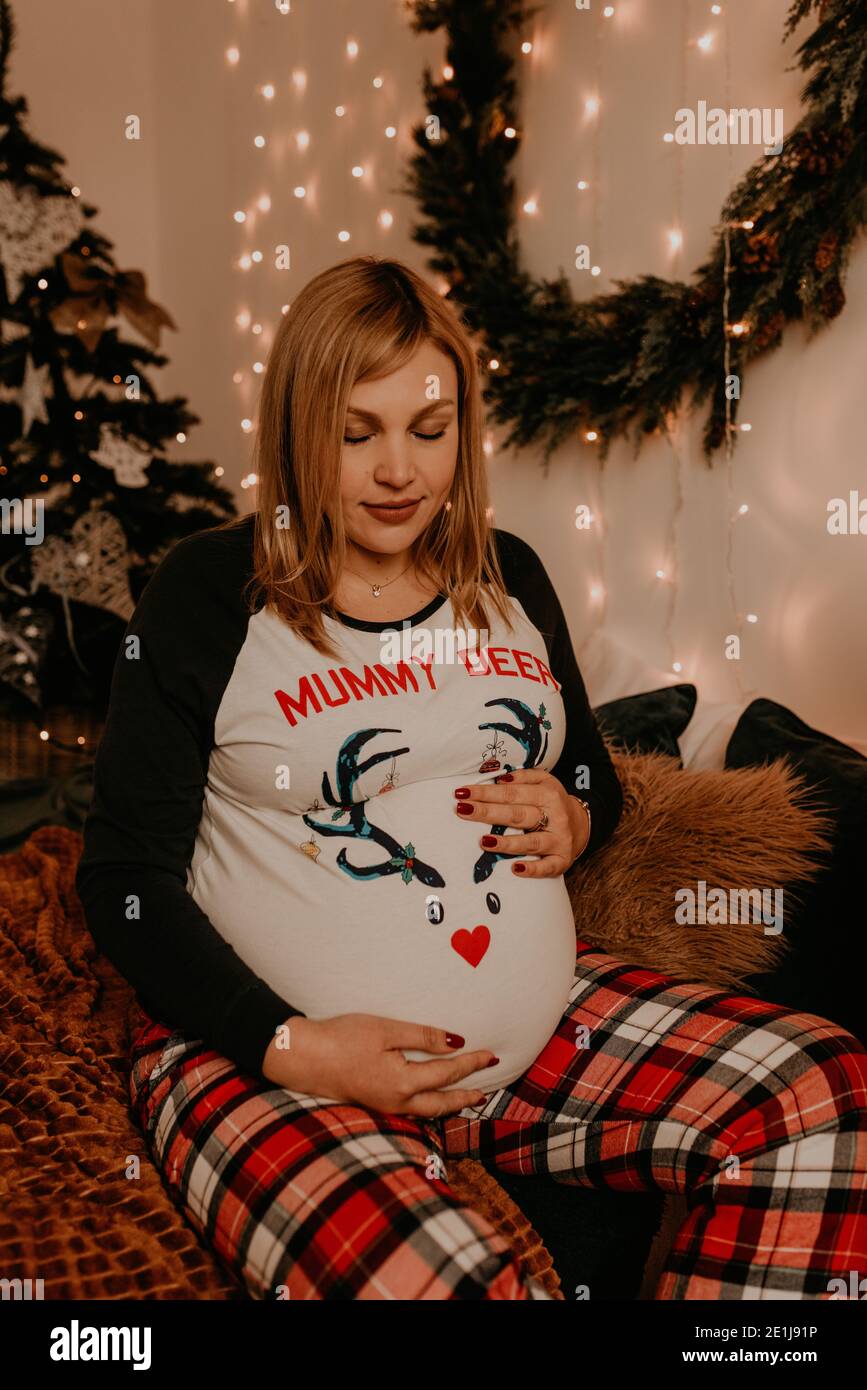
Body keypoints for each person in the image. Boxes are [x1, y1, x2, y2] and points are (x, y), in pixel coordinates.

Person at [76, 256, 867, 1301]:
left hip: (532, 1044)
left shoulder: (510, 574)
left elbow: (589, 771)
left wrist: (577, 813)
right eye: (358, 434)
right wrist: (292, 1045)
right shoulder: (208, 595)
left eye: (430, 428)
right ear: (298, 429)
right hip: (267, 1058)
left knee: (817, 1089)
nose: (399, 469)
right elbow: (123, 879)